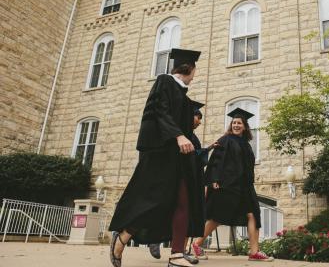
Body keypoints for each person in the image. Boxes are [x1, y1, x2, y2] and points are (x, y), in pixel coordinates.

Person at [108, 48, 204, 267]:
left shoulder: (183, 95)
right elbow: (159, 111)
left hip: (178, 158)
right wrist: (179, 135)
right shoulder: (164, 81)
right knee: (154, 202)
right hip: (161, 155)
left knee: (183, 202)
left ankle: (177, 255)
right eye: (195, 71)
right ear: (189, 68)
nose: (195, 75)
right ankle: (123, 235)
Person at [191, 108, 274, 262]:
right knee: (217, 216)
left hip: (245, 186)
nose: (236, 125)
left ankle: (254, 252)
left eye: (239, 123)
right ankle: (197, 243)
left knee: (253, 214)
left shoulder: (246, 144)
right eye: (234, 122)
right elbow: (216, 160)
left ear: (245, 126)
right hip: (227, 184)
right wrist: (214, 179)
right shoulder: (225, 140)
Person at [148, 101, 217, 265]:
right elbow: (190, 155)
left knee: (186, 215)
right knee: (169, 210)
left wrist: (207, 149)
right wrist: (207, 150)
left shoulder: (193, 137)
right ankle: (153, 238)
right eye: (197, 117)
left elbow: (196, 157)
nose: (199, 121)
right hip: (177, 179)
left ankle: (181, 250)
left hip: (191, 181)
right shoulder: (180, 135)